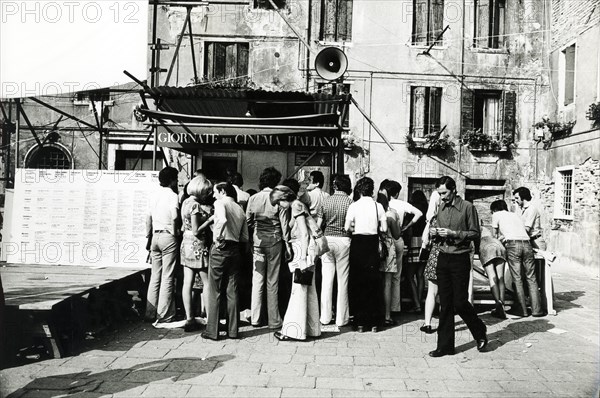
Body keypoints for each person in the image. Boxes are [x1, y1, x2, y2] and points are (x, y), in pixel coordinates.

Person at [429, 176, 487, 357]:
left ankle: (479, 330)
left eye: (444, 193)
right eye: (439, 194)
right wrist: (434, 233)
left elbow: (475, 233)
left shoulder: (468, 207)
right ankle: (445, 346)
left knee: (460, 302)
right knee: (445, 304)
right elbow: (439, 232)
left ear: (453, 190)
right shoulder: (441, 208)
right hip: (443, 257)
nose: (442, 197)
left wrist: (454, 233)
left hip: (460, 258)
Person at [271, 184, 322, 341]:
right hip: (307, 248)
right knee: (309, 289)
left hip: (301, 247)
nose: (279, 206)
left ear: (284, 198)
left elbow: (304, 233)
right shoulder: (299, 205)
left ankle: (294, 331)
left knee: (298, 290)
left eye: (279, 203)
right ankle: (312, 329)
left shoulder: (296, 206)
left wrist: (302, 258)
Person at [201, 182, 249, 340]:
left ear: (222, 191)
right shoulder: (239, 208)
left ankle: (212, 330)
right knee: (232, 290)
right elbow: (245, 237)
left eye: (215, 191)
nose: (214, 195)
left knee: (214, 289)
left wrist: (217, 238)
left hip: (221, 248)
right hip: (235, 249)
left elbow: (221, 219)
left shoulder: (220, 203)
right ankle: (233, 330)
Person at [246, 167, 291, 329]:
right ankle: (274, 320)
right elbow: (284, 225)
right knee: (272, 281)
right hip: (275, 241)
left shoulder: (254, 198)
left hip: (258, 242)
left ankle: (256, 318)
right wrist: (288, 245)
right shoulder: (278, 198)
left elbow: (248, 221)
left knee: (257, 280)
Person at [345, 177, 387, 333]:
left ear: (358, 190)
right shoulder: (379, 207)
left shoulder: (354, 206)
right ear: (372, 190)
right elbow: (384, 228)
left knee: (357, 282)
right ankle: (374, 322)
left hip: (358, 243)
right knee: (373, 282)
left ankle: (360, 322)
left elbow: (347, 227)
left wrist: (358, 225)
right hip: (372, 244)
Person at [491, 199, 544, 318]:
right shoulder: (515, 215)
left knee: (517, 278)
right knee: (531, 277)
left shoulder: (496, 215)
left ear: (494, 209)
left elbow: (494, 236)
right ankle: (537, 310)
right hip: (527, 243)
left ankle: (522, 310)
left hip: (513, 245)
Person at [145, 166, 181, 324]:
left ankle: (150, 312)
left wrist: (148, 236)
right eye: (176, 179)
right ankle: (164, 314)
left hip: (155, 237)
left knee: (155, 276)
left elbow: (148, 219)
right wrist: (175, 232)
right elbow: (174, 216)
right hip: (168, 236)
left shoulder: (153, 195)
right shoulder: (173, 196)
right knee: (168, 276)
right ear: (172, 180)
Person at [317, 174, 353, 327]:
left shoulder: (326, 201)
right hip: (344, 240)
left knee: (327, 280)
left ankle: (325, 317)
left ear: (335, 186)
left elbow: (318, 225)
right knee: (342, 280)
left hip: (327, 239)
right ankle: (341, 318)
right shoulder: (351, 202)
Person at [179, 175, 214, 332]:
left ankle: (189, 318)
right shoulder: (196, 206)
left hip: (185, 244)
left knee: (188, 282)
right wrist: (209, 220)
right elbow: (196, 230)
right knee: (206, 282)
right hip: (197, 244)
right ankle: (209, 318)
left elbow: (184, 227)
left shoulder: (185, 202)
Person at [386, 180, 423, 313]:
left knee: (385, 276)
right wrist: (406, 226)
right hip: (398, 239)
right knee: (397, 275)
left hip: (386, 238)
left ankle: (385, 308)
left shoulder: (383, 205)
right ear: (396, 193)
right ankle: (395, 307)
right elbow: (419, 213)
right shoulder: (402, 204)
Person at [377, 189, 402, 326]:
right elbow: (397, 235)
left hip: (374, 246)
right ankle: (387, 315)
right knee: (387, 283)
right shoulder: (391, 214)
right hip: (387, 247)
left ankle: (377, 312)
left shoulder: (373, 211)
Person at [420, 190, 441, 334]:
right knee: (446, 292)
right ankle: (444, 322)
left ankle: (427, 323)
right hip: (450, 256)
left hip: (435, 257)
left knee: (431, 292)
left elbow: (425, 240)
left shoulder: (433, 220)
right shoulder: (454, 217)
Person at [478, 223, 507, 319]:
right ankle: (502, 304)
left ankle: (498, 305)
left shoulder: (474, 228)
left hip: (486, 247)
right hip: (498, 244)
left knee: (492, 278)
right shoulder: (486, 229)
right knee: (501, 278)